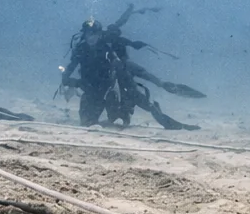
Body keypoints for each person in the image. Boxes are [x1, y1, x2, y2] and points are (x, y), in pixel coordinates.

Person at [60, 17, 198, 130]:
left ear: (99, 35)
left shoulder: (107, 50)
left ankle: (131, 113)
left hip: (110, 90)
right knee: (86, 122)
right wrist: (79, 83)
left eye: (95, 34)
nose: (92, 38)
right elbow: (67, 75)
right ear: (84, 34)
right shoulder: (80, 50)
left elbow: (127, 70)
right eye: (89, 34)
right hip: (91, 91)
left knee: (123, 111)